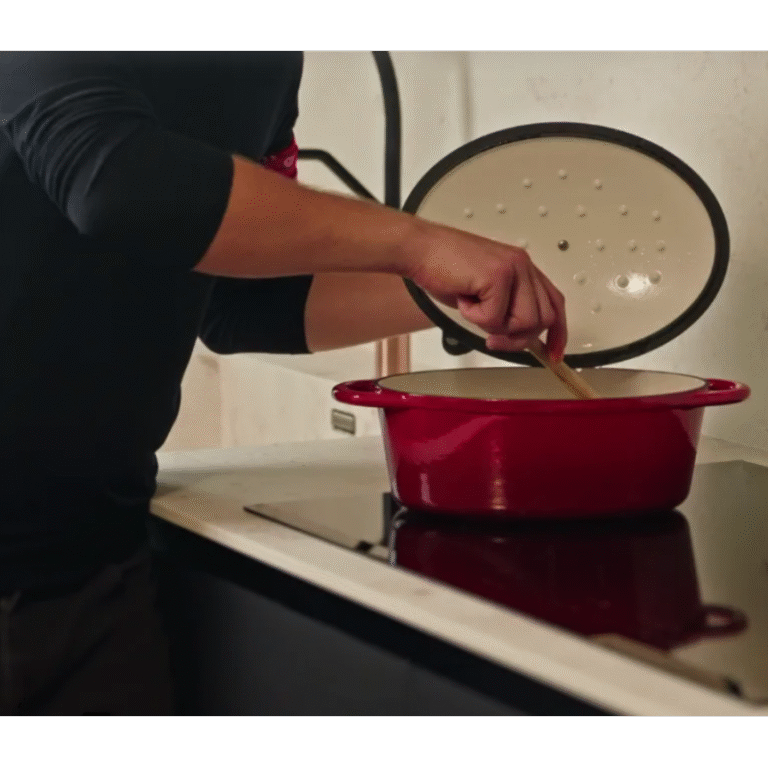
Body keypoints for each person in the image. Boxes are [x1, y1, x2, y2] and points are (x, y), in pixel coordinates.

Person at [0, 51, 567, 715]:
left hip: (92, 561)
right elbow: (118, 181)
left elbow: (237, 302)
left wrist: (472, 293)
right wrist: (417, 244)